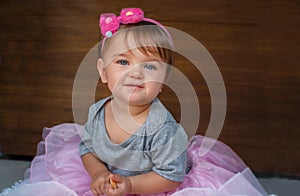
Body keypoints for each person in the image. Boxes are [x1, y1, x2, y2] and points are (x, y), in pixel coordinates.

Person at [1, 8, 269, 196]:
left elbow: (169, 177)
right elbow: (88, 148)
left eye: (150, 67)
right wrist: (97, 174)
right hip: (111, 180)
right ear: (104, 72)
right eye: (122, 62)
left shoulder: (163, 130)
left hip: (153, 185)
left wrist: (129, 186)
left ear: (165, 80)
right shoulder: (98, 111)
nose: (135, 73)